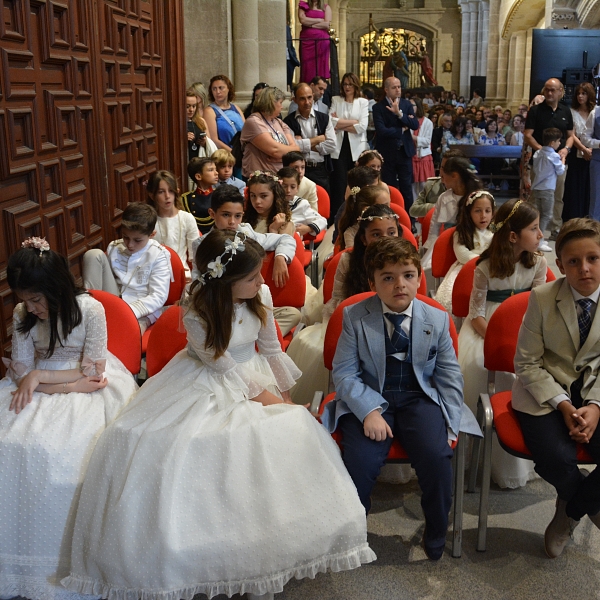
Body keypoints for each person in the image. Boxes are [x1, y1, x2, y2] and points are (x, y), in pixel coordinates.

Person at [63, 229, 376, 600]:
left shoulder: (259, 293)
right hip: (210, 379)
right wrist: (273, 404)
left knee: (291, 430)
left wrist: (288, 400)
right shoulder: (197, 310)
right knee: (187, 444)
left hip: (256, 373)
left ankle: (269, 541)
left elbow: (272, 350)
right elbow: (225, 368)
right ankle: (208, 548)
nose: (261, 281)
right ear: (225, 281)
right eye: (251, 277)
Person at [0, 240, 137, 600]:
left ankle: (71, 563)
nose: (31, 307)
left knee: (65, 452)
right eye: (25, 299)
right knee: (10, 442)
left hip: (84, 389)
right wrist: (35, 378)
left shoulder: (89, 310)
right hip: (47, 385)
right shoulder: (22, 314)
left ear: (57, 286)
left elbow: (92, 374)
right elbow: (22, 369)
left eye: (37, 300)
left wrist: (43, 379)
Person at [322, 236, 471, 561]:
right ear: (373, 281)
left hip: (420, 398)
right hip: (371, 398)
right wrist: (368, 411)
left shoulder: (437, 318)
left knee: (436, 460)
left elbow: (448, 376)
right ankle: (352, 532)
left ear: (420, 276)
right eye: (387, 277)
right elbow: (344, 374)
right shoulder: (355, 316)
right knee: (359, 464)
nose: (399, 285)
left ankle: (435, 531)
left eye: (407, 275)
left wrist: (450, 424)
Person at [512, 218, 600, 559]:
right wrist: (564, 405)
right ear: (559, 264)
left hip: (594, 391)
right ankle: (581, 494)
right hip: (545, 392)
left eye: (593, 258)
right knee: (556, 458)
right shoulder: (542, 297)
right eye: (574, 262)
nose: (585, 269)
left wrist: (594, 405)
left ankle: (570, 511)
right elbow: (527, 363)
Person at [458, 199, 547, 489]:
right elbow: (475, 314)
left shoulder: (538, 263)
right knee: (477, 366)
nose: (542, 235)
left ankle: (524, 456)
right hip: (487, 328)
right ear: (513, 236)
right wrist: (497, 337)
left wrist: (523, 338)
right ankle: (477, 458)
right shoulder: (484, 267)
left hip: (526, 327)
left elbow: (539, 310)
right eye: (534, 229)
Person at [287, 205, 401, 404]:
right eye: (376, 234)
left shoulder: (404, 261)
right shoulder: (348, 260)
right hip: (353, 323)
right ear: (364, 238)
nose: (385, 239)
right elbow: (338, 300)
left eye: (391, 233)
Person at [198, 183, 301, 336]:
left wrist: (280, 257)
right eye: (226, 215)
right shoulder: (202, 244)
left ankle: (253, 335)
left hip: (250, 301)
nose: (233, 222)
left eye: (238, 216)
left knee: (293, 314)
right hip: (220, 304)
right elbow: (199, 277)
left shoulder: (246, 233)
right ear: (212, 214)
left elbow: (285, 239)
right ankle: (240, 336)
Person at [82, 203, 172, 334]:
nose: (130, 245)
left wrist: (127, 312)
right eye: (126, 237)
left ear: (152, 234)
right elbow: (107, 281)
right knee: (93, 254)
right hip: (115, 301)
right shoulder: (114, 247)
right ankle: (88, 310)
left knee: (128, 332)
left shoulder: (159, 255)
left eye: (137, 240)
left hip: (141, 310)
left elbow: (158, 296)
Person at [524, 78, 574, 240]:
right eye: (547, 90)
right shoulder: (536, 111)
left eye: (553, 90)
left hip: (559, 162)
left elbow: (571, 136)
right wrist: (544, 151)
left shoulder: (565, 111)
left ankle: (556, 228)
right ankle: (531, 227)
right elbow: (528, 135)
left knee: (557, 196)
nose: (549, 93)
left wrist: (566, 149)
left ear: (560, 91)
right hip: (539, 163)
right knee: (536, 197)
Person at [435, 190, 494, 315]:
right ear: (469, 213)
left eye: (487, 211)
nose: (483, 215)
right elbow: (462, 254)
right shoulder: (461, 232)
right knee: (452, 296)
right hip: (466, 267)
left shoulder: (496, 232)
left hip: (492, 268)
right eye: (478, 211)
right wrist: (484, 261)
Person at [421, 155, 481, 268]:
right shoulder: (444, 198)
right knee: (429, 266)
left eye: (444, 177)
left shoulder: (476, 197)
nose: (442, 180)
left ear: (454, 176)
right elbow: (435, 224)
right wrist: (431, 245)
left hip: (472, 239)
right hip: (448, 240)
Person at [373, 76, 419, 214]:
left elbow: (415, 124)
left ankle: (409, 219)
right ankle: (390, 215)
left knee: (406, 187)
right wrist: (402, 129)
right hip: (387, 152)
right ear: (386, 90)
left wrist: (399, 114)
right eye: (394, 87)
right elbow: (382, 131)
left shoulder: (406, 104)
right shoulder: (378, 107)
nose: (398, 90)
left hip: (404, 152)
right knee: (389, 187)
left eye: (399, 86)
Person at [146, 170, 199, 281]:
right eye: (161, 192)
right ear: (152, 195)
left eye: (171, 191)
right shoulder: (148, 221)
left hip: (182, 273)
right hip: (154, 273)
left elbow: (195, 255)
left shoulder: (187, 218)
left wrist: (194, 276)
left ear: (176, 192)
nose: (167, 196)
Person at [284, 82, 336, 194]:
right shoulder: (288, 122)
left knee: (321, 205)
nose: (307, 102)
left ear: (313, 96)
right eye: (302, 99)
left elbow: (332, 145)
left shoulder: (324, 118)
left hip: (320, 169)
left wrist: (302, 144)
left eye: (309, 97)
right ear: (295, 100)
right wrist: (317, 140)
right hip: (297, 172)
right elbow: (291, 148)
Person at [329, 72, 369, 218]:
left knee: (356, 182)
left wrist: (340, 123)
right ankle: (337, 216)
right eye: (345, 84)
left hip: (356, 147)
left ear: (355, 85)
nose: (347, 87)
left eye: (350, 84)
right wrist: (353, 122)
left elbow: (362, 127)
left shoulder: (362, 102)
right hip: (339, 147)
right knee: (339, 183)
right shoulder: (336, 100)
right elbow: (331, 122)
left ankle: (356, 213)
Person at [241, 87, 301, 178]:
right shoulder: (254, 121)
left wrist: (282, 156)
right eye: (280, 103)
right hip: (259, 180)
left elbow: (296, 151)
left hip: (279, 177)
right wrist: (282, 155)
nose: (282, 107)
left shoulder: (279, 122)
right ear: (272, 102)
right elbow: (275, 151)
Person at [530, 128, 566, 252]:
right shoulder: (554, 155)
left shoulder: (537, 153)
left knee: (538, 214)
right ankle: (539, 241)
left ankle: (536, 237)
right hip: (547, 189)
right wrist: (563, 159)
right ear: (552, 143)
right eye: (558, 141)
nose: (560, 143)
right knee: (546, 215)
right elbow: (561, 170)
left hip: (537, 187)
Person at [566, 82, 596, 221]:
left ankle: (589, 218)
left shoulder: (595, 111)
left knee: (591, 189)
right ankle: (575, 218)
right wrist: (583, 149)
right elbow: (571, 134)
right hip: (577, 154)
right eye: (578, 93)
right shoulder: (572, 112)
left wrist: (590, 150)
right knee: (576, 187)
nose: (580, 96)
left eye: (583, 93)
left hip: (593, 154)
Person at [408, 149, 466, 218]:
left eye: (447, 169)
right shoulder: (431, 185)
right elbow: (413, 210)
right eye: (441, 167)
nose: (442, 171)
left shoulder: (470, 188)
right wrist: (437, 207)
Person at [277, 166, 327, 237]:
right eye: (284, 186)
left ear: (297, 188)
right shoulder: (270, 202)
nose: (288, 190)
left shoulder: (301, 204)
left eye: (293, 187)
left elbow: (322, 221)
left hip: (293, 243)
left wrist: (308, 228)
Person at [338, 183, 391, 250]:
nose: (389, 210)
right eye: (385, 206)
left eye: (391, 233)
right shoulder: (351, 233)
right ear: (367, 209)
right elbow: (353, 257)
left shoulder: (392, 225)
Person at [203, 75, 245, 155]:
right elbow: (213, 139)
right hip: (225, 155)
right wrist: (233, 154)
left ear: (228, 89)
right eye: (214, 89)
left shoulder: (236, 108)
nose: (218, 92)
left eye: (221, 88)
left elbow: (246, 130)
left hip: (242, 154)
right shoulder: (210, 111)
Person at [244, 171, 294, 236]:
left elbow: (284, 246)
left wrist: (273, 230)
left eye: (263, 196)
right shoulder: (244, 218)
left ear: (275, 196)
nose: (257, 201)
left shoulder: (284, 223)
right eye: (253, 196)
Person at [181, 157, 219, 234]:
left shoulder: (220, 195)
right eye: (211, 170)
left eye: (215, 169)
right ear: (198, 176)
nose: (216, 173)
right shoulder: (185, 199)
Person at [298, 1, 332, 84]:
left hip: (322, 40)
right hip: (307, 41)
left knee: (320, 65)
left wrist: (310, 25)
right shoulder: (303, 6)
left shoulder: (326, 8)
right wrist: (319, 20)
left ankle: (320, 86)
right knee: (307, 65)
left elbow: (326, 24)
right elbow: (302, 20)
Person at [411, 97, 435, 199]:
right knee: (412, 185)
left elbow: (427, 141)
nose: (410, 108)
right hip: (411, 155)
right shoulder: (408, 121)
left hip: (423, 156)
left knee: (423, 185)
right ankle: (413, 211)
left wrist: (413, 137)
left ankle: (423, 210)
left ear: (418, 106)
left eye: (412, 106)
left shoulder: (427, 122)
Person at [186, 89, 217, 162]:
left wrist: (204, 142)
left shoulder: (200, 121)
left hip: (199, 159)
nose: (191, 110)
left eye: (194, 106)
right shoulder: (177, 123)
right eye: (187, 106)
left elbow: (209, 142)